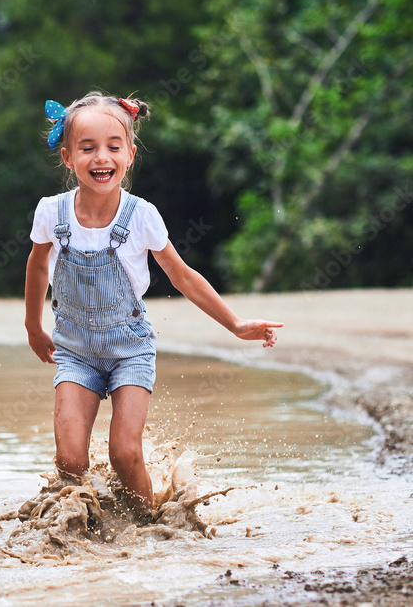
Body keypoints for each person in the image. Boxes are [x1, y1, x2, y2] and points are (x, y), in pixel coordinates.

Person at [24, 91, 281, 517]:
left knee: (125, 453)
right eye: (87, 148)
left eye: (112, 146)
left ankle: (147, 522)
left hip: (130, 349)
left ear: (129, 154)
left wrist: (235, 324)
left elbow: (183, 276)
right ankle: (82, 529)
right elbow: (36, 268)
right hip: (74, 351)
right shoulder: (51, 213)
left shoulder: (142, 216)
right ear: (67, 157)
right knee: (70, 460)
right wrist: (34, 327)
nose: (100, 157)